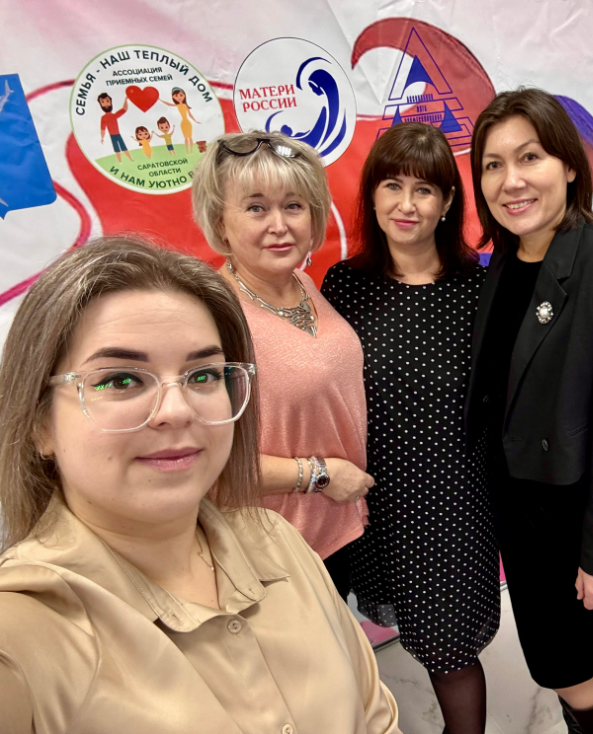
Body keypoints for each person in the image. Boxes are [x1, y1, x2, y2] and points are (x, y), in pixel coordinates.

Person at [0, 236, 399, 733]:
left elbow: (375, 715)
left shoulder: (277, 540)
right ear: (39, 422)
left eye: (203, 375)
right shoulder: (23, 633)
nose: (178, 410)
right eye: (121, 380)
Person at [465, 88, 593, 734]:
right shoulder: (505, 260)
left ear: (570, 166)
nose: (511, 180)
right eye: (493, 165)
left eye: (530, 157)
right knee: (553, 662)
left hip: (566, 518)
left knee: (568, 665)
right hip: (516, 507)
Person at [322, 122, 500, 734]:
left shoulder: (481, 288)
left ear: (448, 202)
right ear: (372, 195)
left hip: (455, 508)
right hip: (371, 502)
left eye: (424, 190)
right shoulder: (345, 284)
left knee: (450, 654)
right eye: (392, 186)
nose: (407, 204)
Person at [192, 130, 372, 598]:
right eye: (256, 208)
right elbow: (200, 461)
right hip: (269, 555)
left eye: (293, 205)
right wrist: (321, 474)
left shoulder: (304, 284)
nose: (279, 225)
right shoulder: (210, 318)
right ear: (220, 221)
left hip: (332, 534)